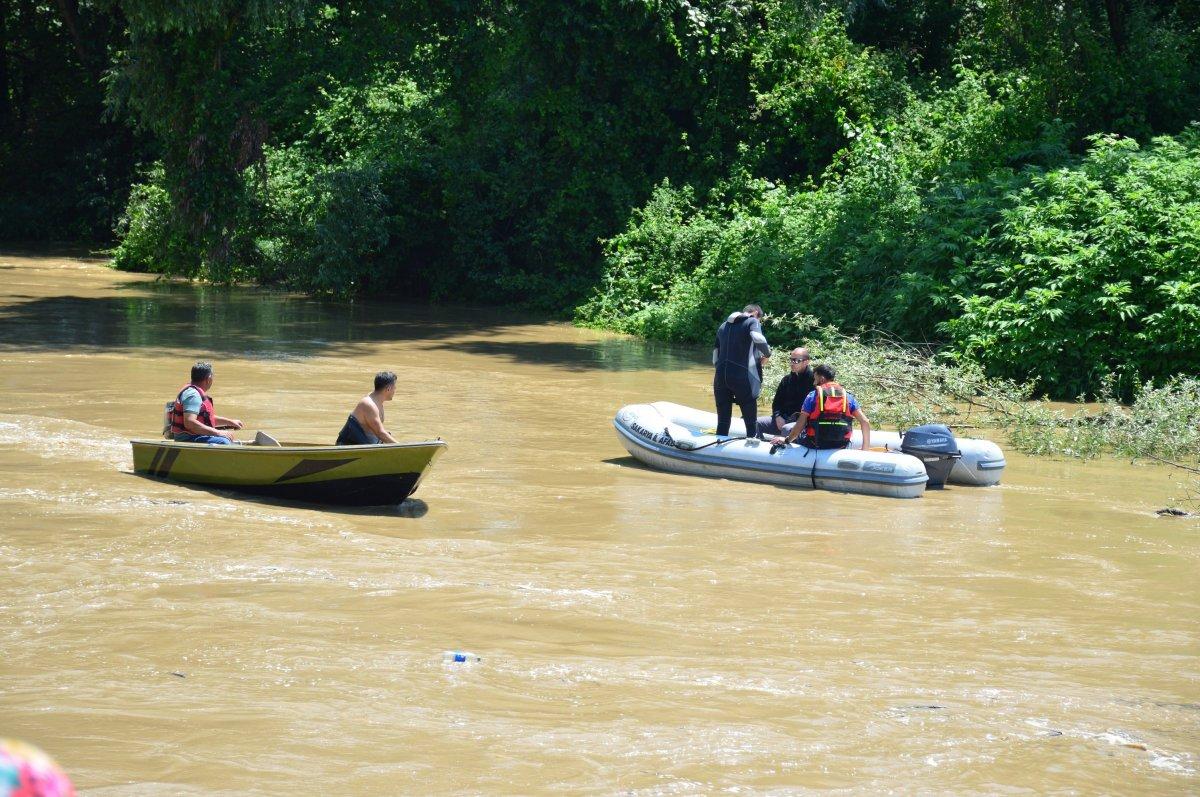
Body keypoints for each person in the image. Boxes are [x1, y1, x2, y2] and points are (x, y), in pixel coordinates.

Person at [770, 363, 871, 451]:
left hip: (815, 444)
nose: (813, 382)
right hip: (841, 445)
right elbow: (865, 421)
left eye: (815, 379)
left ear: (821, 379)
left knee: (788, 429)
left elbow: (800, 425)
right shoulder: (848, 397)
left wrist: (786, 440)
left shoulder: (812, 396)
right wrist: (865, 448)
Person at [713, 304, 772, 437]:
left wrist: (721, 371)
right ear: (756, 313)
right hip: (743, 378)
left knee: (722, 422)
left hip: (720, 378)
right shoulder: (752, 321)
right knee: (751, 422)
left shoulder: (723, 326)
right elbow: (758, 338)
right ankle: (753, 447)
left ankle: (718, 446)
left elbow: (715, 354)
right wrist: (767, 355)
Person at [167, 361, 244, 444]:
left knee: (224, 437)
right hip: (188, 439)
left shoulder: (192, 392)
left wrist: (230, 422)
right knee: (224, 442)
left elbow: (206, 419)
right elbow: (189, 423)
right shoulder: (193, 395)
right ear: (209, 379)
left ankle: (245, 444)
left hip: (194, 436)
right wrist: (218, 432)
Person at [756, 347, 814, 438]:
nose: (791, 363)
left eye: (796, 360)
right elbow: (776, 403)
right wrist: (778, 416)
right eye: (791, 359)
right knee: (755, 423)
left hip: (801, 424)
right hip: (783, 419)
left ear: (806, 362)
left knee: (786, 429)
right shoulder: (786, 380)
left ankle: (784, 447)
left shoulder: (814, 381)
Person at [337, 371, 398, 445]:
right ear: (388, 389)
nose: (395, 390)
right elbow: (380, 433)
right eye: (394, 388)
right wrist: (401, 447)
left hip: (365, 445)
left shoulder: (377, 399)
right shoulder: (369, 404)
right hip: (347, 446)